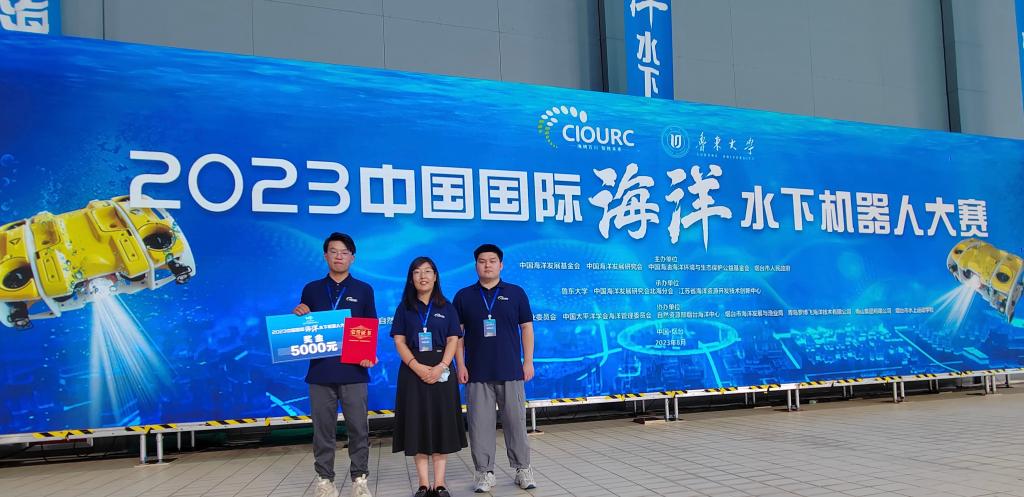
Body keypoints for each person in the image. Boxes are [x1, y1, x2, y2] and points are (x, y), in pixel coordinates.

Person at [293, 232, 378, 497]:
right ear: (325, 255)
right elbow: (303, 328)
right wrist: (299, 315)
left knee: (358, 429)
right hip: (320, 372)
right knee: (323, 431)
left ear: (352, 257)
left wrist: (369, 353)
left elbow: (369, 326)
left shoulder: (363, 289)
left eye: (344, 252)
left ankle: (359, 479)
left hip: (354, 371)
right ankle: (324, 480)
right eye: (333, 251)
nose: (338, 256)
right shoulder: (312, 289)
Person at [453, 244, 537, 493]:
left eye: (492, 261)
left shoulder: (516, 293)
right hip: (476, 372)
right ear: (475, 265)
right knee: (479, 425)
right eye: (482, 261)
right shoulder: (464, 296)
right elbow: (457, 336)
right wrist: (460, 364)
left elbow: (526, 328)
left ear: (501, 265)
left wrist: (528, 361)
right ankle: (484, 473)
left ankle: (522, 469)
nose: (487, 265)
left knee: (516, 423)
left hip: (510, 370)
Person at [391, 257, 467, 497]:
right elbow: (399, 341)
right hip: (412, 373)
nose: (422, 276)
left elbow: (453, 339)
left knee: (441, 425)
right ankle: (424, 484)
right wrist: (416, 366)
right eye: (417, 272)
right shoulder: (404, 308)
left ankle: (440, 483)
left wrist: (442, 366)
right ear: (411, 278)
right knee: (418, 425)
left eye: (427, 271)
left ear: (435, 276)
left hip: (442, 371)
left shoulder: (447, 307)